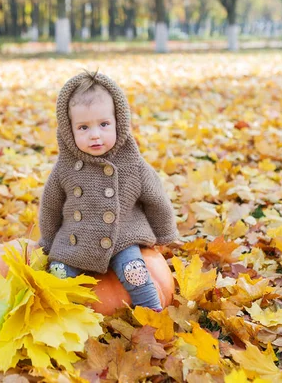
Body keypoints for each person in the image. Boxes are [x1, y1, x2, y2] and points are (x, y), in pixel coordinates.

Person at [38, 70, 179, 311]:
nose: (95, 135)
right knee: (58, 277)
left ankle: (152, 316)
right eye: (83, 127)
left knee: (135, 273)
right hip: (75, 240)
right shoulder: (65, 167)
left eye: (104, 124)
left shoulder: (132, 163)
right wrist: (48, 243)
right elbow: (50, 207)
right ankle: (60, 318)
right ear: (68, 130)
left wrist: (165, 233)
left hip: (121, 237)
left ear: (119, 123)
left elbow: (157, 199)